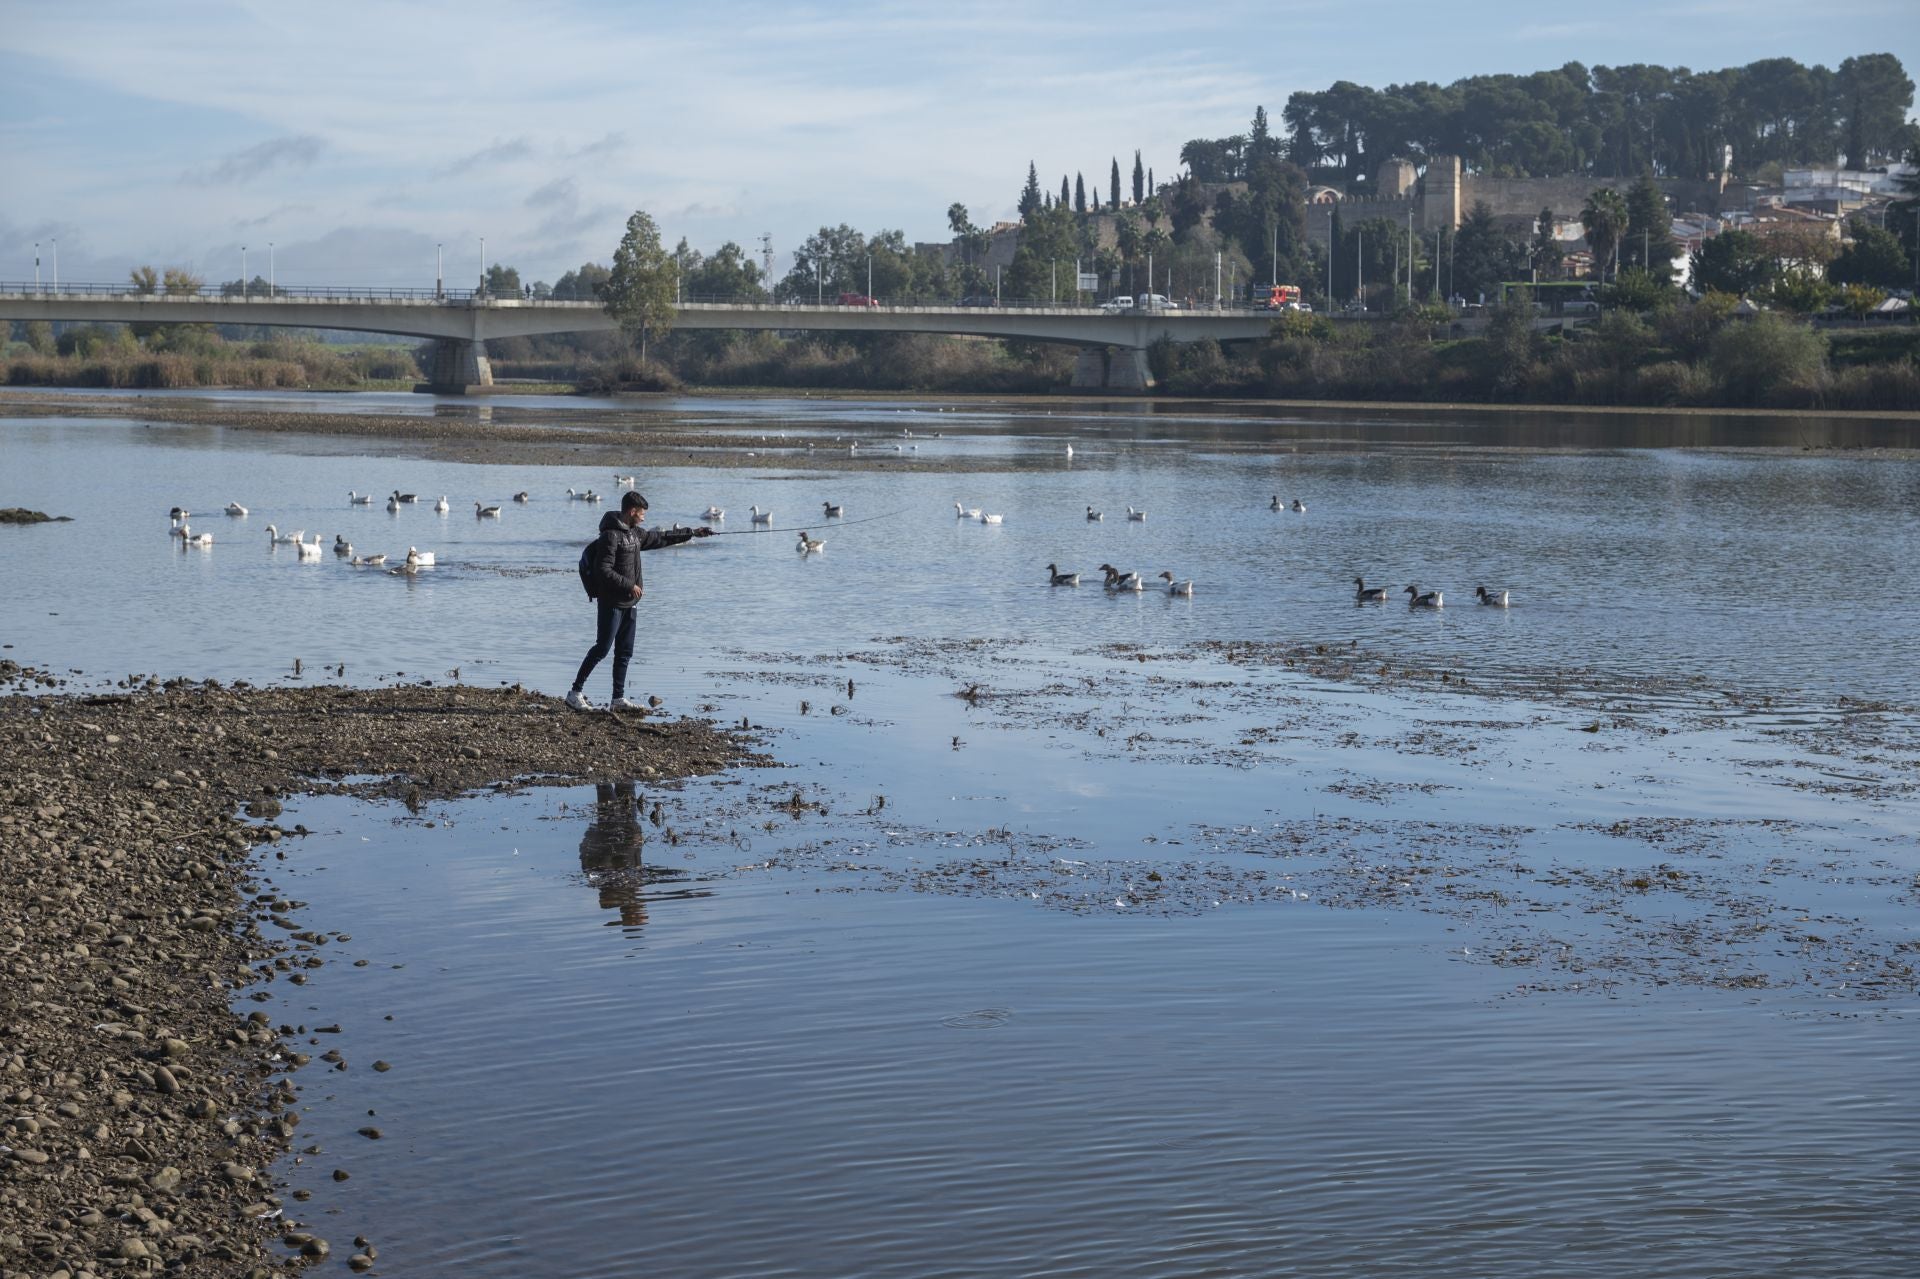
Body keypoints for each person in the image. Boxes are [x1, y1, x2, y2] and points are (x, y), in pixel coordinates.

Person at [568, 491, 712, 711]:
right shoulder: (610, 536)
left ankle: (618, 699)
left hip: (630, 604)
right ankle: (575, 693)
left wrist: (693, 533)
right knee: (602, 649)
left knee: (624, 652)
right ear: (632, 511)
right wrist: (629, 585)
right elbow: (602, 570)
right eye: (642, 513)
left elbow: (662, 538)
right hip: (611, 602)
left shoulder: (635, 534)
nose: (644, 517)